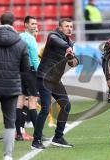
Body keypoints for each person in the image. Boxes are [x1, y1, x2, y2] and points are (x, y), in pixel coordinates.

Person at [32, 18, 79, 149]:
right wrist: (68, 48)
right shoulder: (53, 36)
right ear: (60, 28)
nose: (70, 28)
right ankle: (36, 141)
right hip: (44, 77)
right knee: (46, 108)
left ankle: (58, 137)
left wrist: (71, 57)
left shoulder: (70, 42)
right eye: (66, 26)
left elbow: (73, 63)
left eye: (71, 26)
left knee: (66, 105)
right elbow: (59, 42)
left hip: (55, 80)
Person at [0, 11, 30, 160]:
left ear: (0, 21)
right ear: (14, 22)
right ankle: (8, 155)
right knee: (9, 121)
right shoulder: (21, 43)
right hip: (11, 87)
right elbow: (26, 69)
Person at [15, 16, 39, 141]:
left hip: (19, 72)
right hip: (30, 72)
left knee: (19, 102)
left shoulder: (18, 37)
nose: (35, 26)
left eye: (36, 23)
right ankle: (37, 134)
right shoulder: (31, 39)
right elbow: (35, 59)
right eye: (32, 24)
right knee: (32, 103)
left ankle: (18, 134)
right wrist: (41, 74)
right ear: (26, 25)